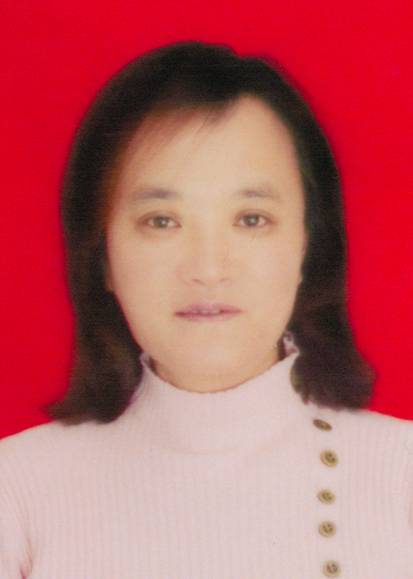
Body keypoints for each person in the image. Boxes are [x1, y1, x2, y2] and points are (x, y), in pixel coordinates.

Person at [1, 39, 412, 578]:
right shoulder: (18, 489)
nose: (208, 268)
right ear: (102, 257)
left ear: (308, 247)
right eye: (161, 222)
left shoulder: (401, 474)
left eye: (251, 219)